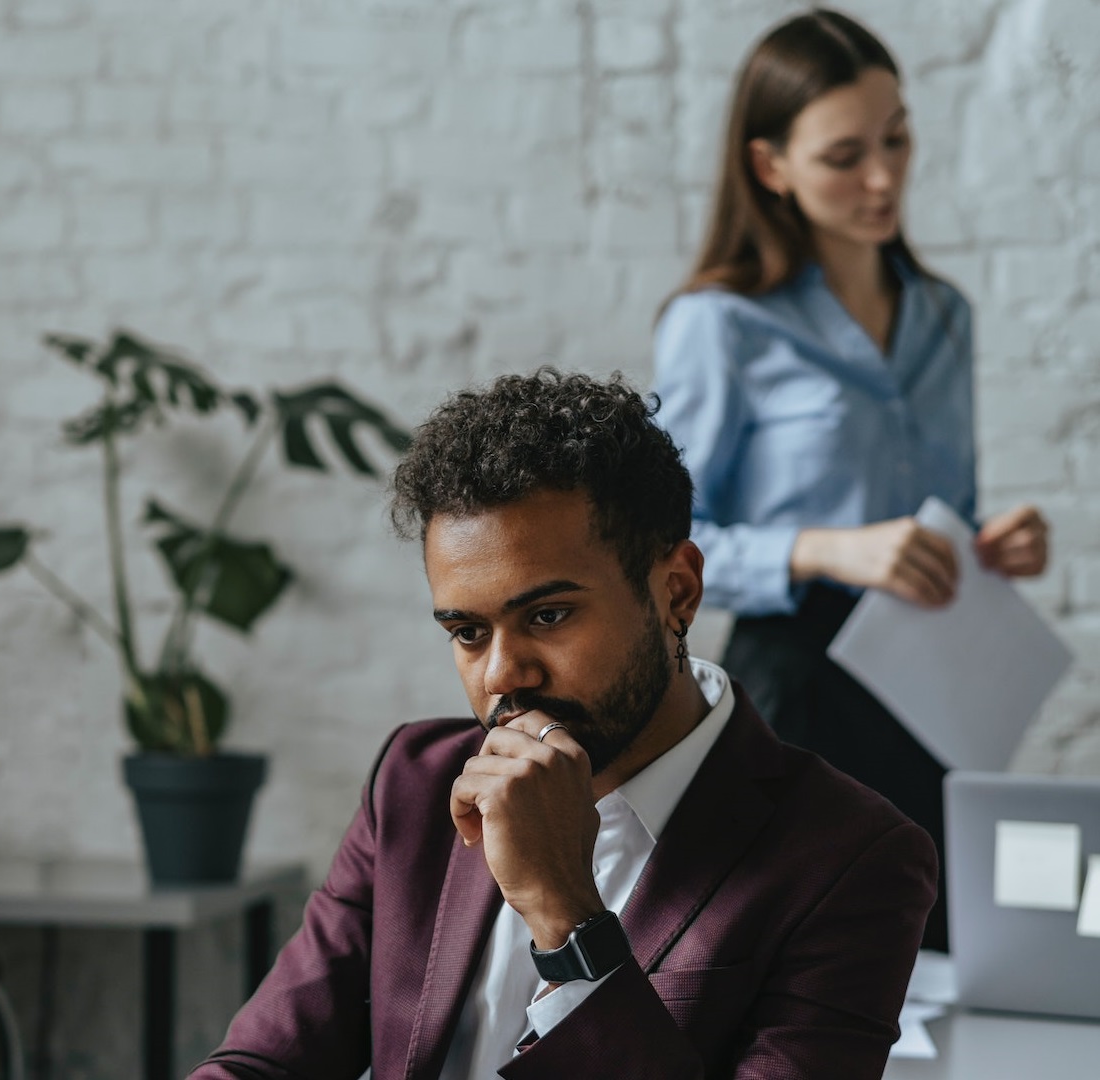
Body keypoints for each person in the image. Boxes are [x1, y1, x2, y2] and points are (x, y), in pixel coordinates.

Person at [190, 368, 936, 1080]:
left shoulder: (852, 858)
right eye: (468, 633)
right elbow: (264, 1061)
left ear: (677, 592)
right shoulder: (415, 783)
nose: (502, 674)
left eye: (547, 616)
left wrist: (565, 916)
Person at [651, 8, 1049, 953]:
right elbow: (661, 542)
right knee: (805, 971)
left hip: (931, 683)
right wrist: (830, 548)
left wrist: (996, 539)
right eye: (844, 156)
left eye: (897, 139)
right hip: (795, 694)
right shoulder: (721, 325)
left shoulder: (943, 315)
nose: (884, 177)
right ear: (770, 166)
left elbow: (941, 510)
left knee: (941, 951)